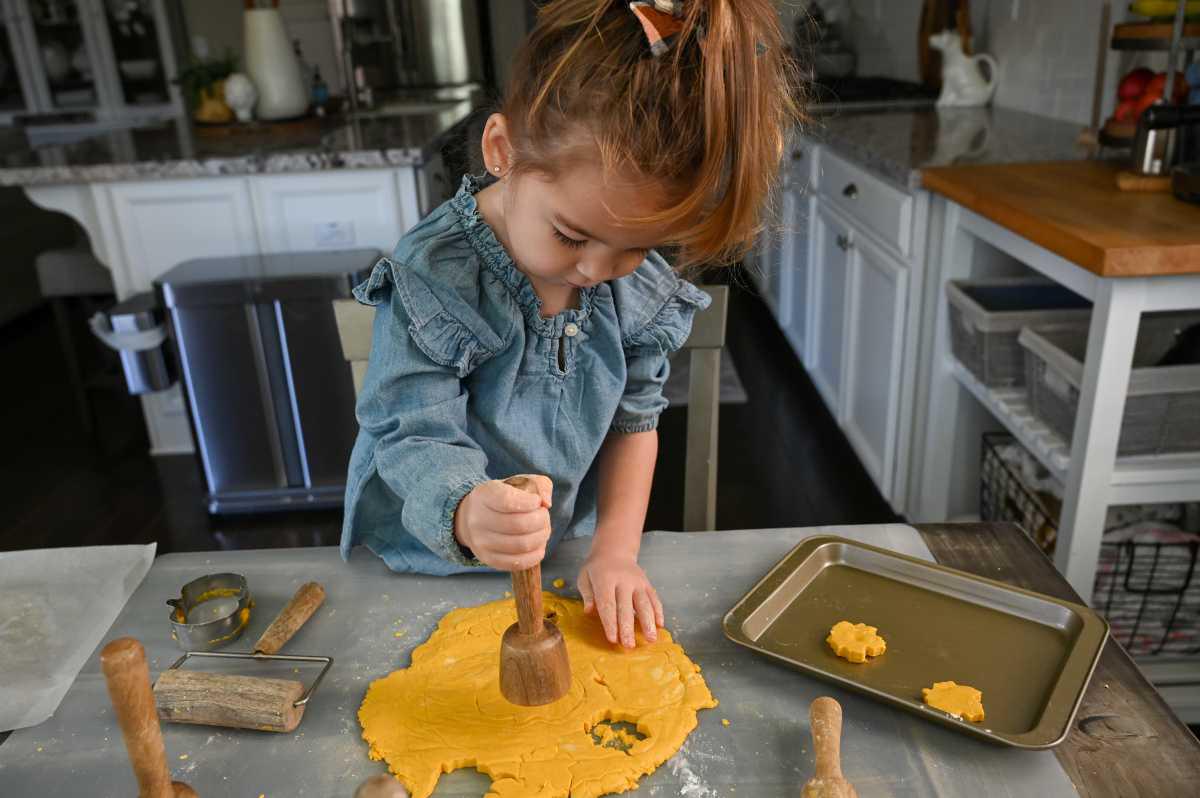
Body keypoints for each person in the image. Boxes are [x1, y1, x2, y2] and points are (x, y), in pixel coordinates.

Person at [341, 0, 798, 649]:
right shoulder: (435, 277)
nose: (597, 270)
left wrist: (613, 552)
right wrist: (468, 512)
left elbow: (634, 420)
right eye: (571, 235)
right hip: (427, 564)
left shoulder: (620, 277)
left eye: (636, 247)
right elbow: (410, 433)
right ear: (504, 151)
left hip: (560, 556)